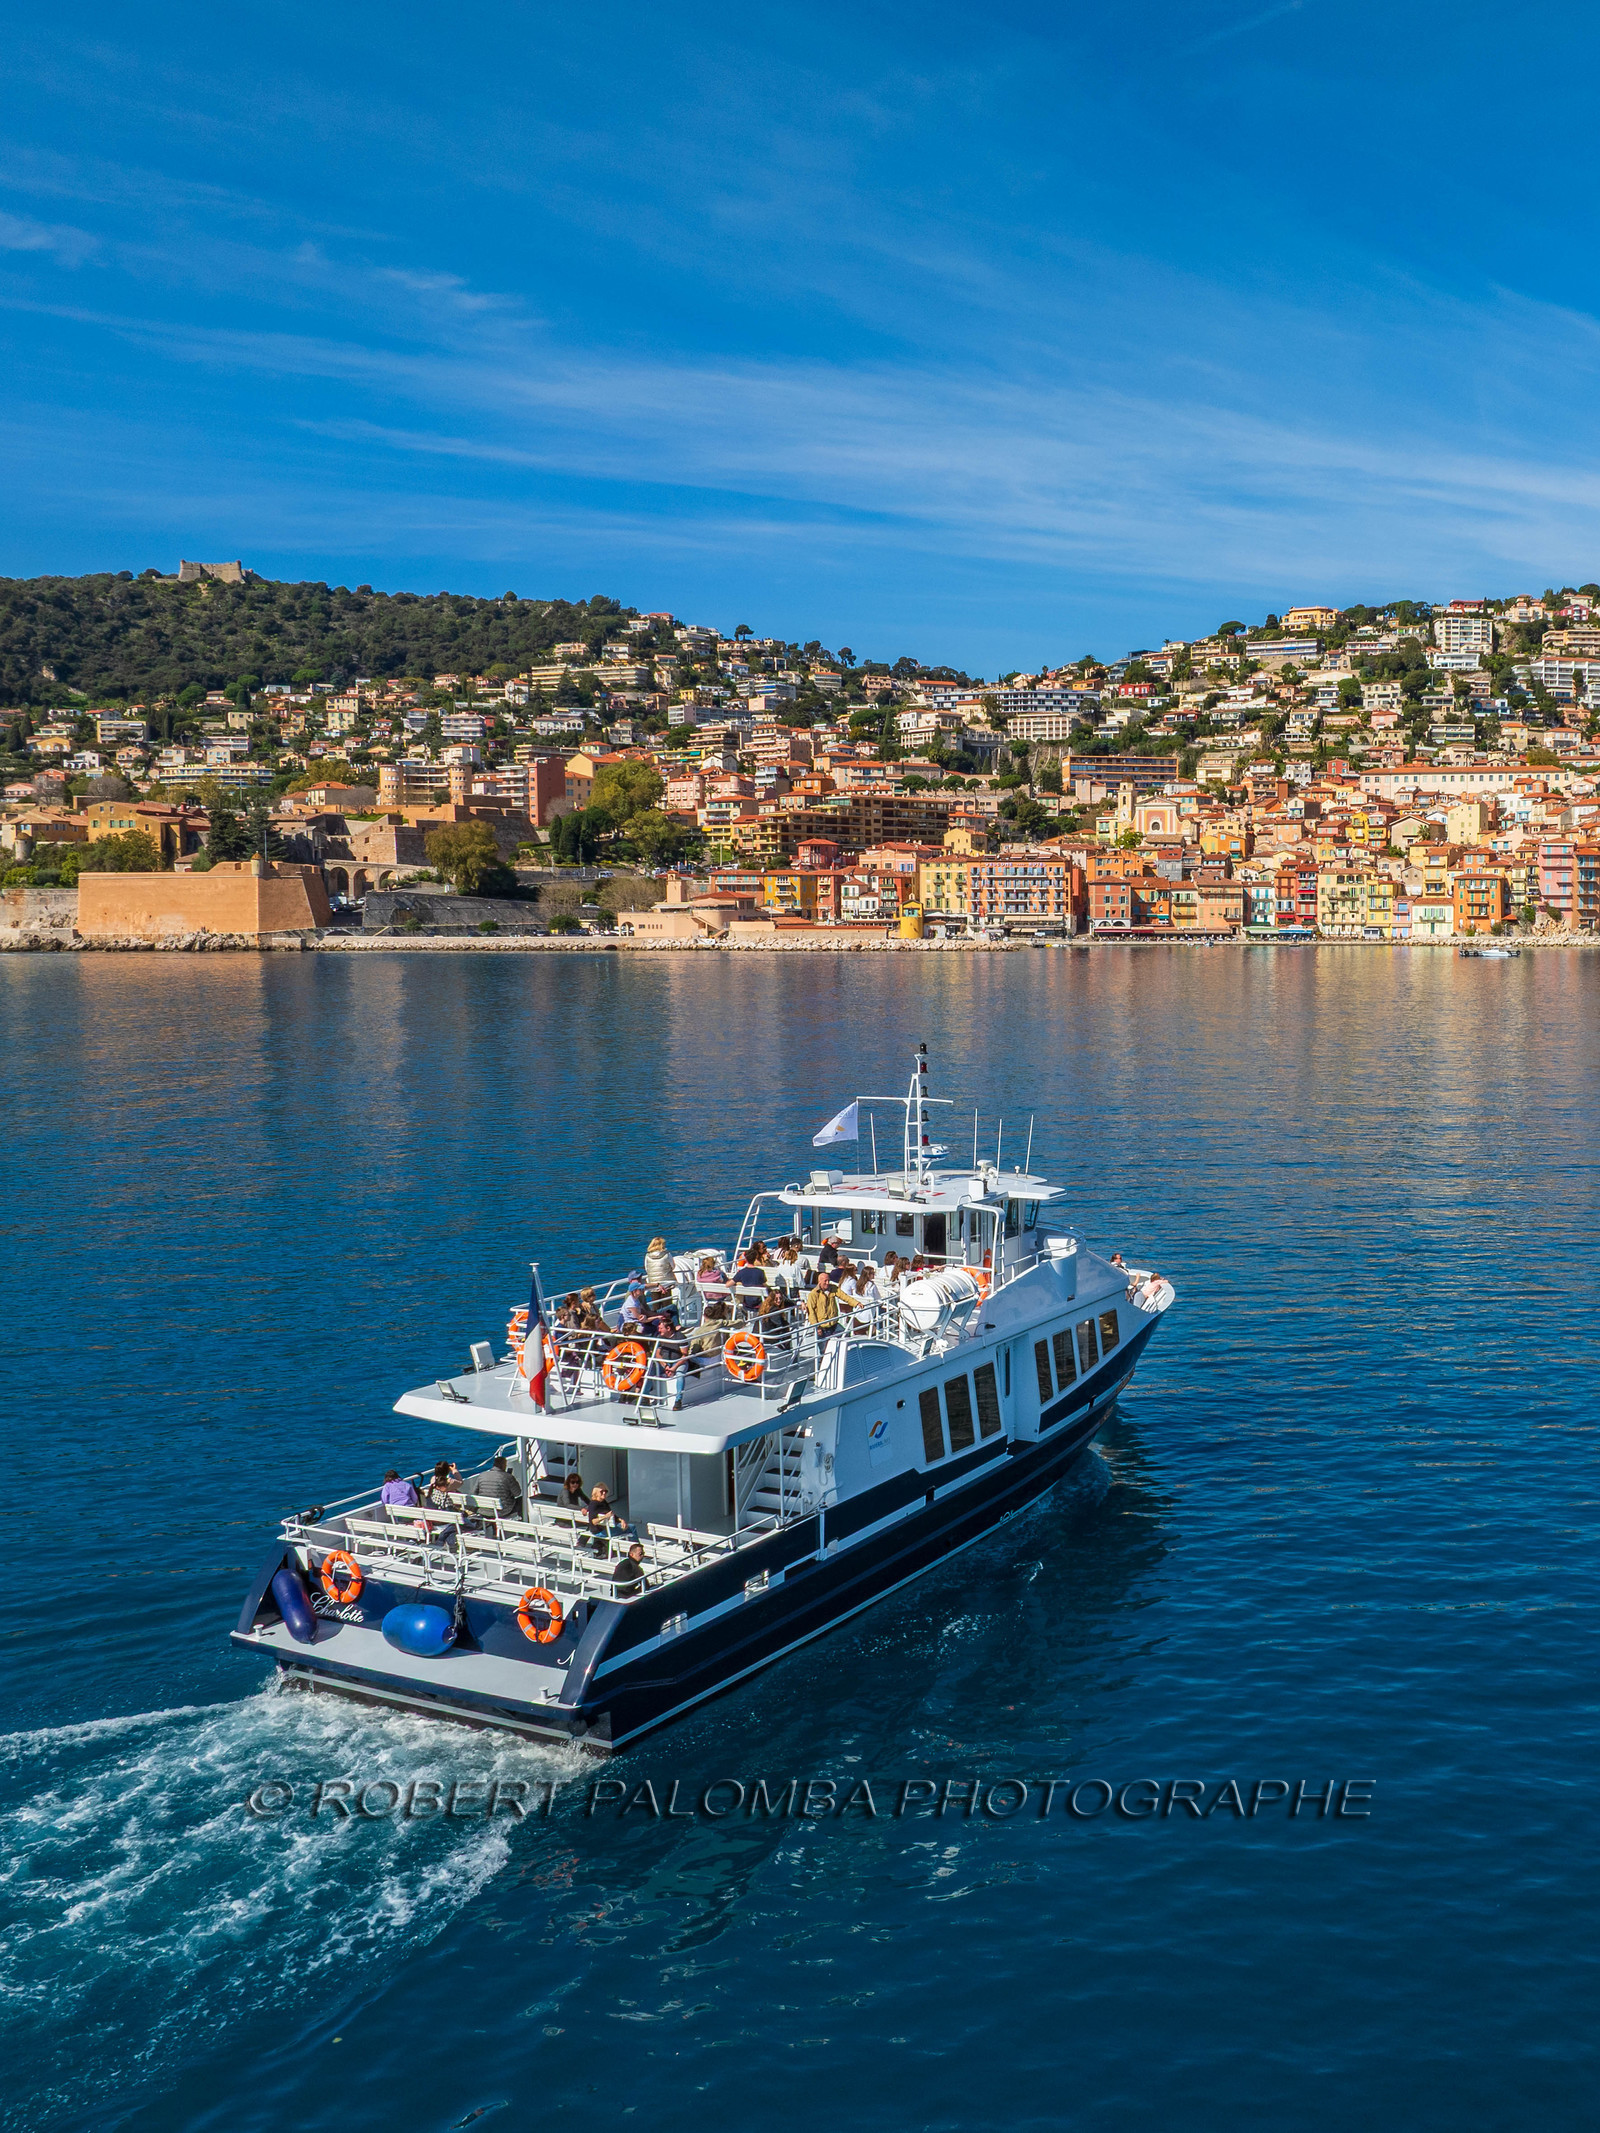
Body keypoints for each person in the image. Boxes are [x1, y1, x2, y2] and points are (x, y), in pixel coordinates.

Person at [467, 1454, 522, 1520]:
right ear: (503, 1466)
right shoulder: (508, 1477)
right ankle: (522, 1523)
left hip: (483, 1510)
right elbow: (517, 1493)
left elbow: (473, 1493)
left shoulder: (482, 1475)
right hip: (501, 1511)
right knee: (521, 1500)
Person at [804, 1269, 840, 1339]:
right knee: (823, 1348)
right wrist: (817, 1327)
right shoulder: (813, 1294)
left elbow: (845, 1297)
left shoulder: (833, 1289)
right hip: (822, 1326)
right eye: (825, 1281)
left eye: (828, 1280)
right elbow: (811, 1312)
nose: (827, 1283)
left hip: (833, 1324)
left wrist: (856, 1303)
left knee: (846, 1335)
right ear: (819, 1281)